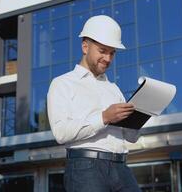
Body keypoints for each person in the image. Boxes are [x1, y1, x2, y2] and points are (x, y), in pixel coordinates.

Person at [47, 15, 141, 192]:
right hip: (85, 168)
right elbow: (60, 133)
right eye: (102, 51)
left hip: (121, 167)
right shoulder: (62, 83)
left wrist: (139, 118)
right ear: (85, 46)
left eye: (112, 53)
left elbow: (131, 138)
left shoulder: (114, 89)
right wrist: (104, 117)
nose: (108, 58)